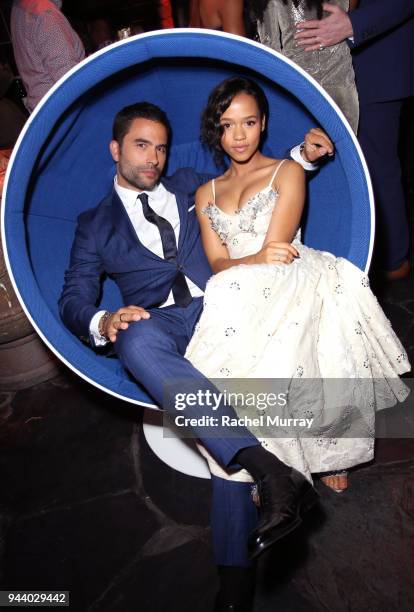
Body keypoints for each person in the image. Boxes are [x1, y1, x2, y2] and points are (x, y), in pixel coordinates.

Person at [59, 101, 334, 612]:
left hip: (225, 305)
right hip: (160, 322)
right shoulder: (93, 224)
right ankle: (267, 466)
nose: (154, 158)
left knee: (218, 444)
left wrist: (304, 156)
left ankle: (232, 595)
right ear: (115, 149)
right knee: (134, 339)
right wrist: (103, 320)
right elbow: (73, 296)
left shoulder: (189, 183)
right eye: (142, 145)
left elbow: (248, 177)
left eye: (161, 147)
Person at [184, 75, 410, 515]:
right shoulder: (204, 192)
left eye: (248, 122)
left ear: (263, 123)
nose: (239, 135)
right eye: (227, 125)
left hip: (290, 268)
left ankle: (327, 451)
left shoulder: (287, 171)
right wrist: (246, 264)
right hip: (240, 278)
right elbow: (217, 263)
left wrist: (248, 264)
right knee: (227, 292)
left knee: (267, 309)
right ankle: (274, 462)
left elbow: (278, 245)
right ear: (216, 130)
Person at [293, 0, 414, 278]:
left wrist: (353, 24)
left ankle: (391, 259)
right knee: (315, 154)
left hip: (373, 60)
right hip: (313, 60)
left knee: (374, 163)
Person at [253, 0, 359, 133]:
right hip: (299, 87)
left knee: (346, 149)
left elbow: (348, 18)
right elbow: (269, 49)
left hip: (341, 83)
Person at [10, 0, 85, 112]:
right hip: (65, 112)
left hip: (46, 113)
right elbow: (70, 81)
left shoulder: (19, 8)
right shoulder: (45, 14)